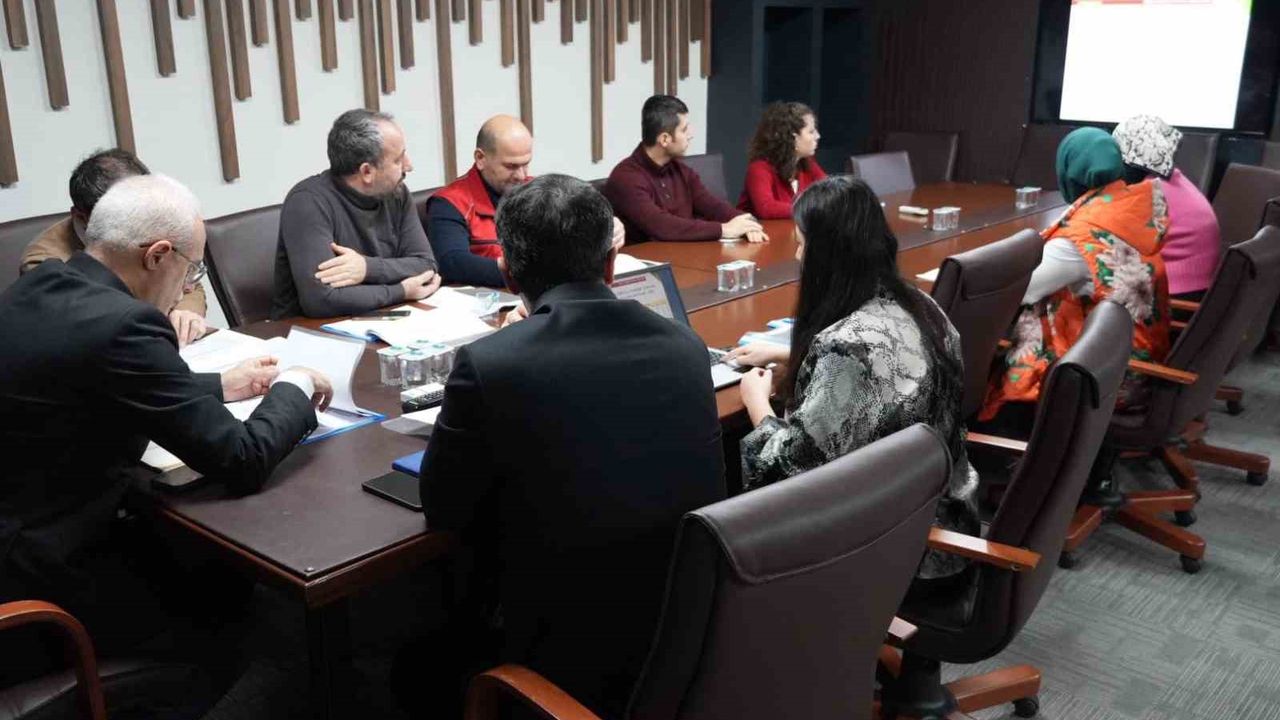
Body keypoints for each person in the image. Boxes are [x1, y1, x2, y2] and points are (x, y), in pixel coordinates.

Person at [0, 174, 332, 683]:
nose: (187, 285)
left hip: (22, 528)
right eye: (192, 269)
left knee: (204, 560)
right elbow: (241, 458)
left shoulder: (40, 286)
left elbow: (93, 376)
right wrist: (296, 382)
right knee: (236, 605)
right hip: (46, 574)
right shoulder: (125, 324)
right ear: (156, 256)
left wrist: (219, 385)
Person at [419, 175, 725, 718]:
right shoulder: (686, 346)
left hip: (557, 656)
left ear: (508, 274)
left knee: (414, 669)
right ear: (610, 264)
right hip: (682, 632)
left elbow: (444, 506)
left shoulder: (491, 364)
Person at [729, 175, 977, 584]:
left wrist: (757, 401)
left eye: (802, 244)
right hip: (944, 514)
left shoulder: (846, 347)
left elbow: (788, 472)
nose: (798, 255)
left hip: (894, 551)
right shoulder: (923, 306)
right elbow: (892, 362)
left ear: (828, 255)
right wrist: (797, 356)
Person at [981, 127, 1170, 421]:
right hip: (1135, 356)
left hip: (1100, 376)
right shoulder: (1132, 209)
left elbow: (1020, 290)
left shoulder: (1081, 236)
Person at [20, 148, 210, 346]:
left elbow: (187, 278)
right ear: (82, 217)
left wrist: (186, 312)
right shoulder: (44, 262)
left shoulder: (150, 223)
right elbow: (99, 320)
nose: (141, 224)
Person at [272, 109, 440, 319]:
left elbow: (426, 265)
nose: (409, 165)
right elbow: (321, 300)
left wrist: (367, 268)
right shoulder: (308, 202)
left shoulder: (397, 193)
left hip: (384, 319)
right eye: (398, 160)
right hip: (311, 330)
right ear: (367, 172)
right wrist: (402, 290)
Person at [605, 94, 768, 244]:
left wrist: (747, 223)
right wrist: (724, 230)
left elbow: (712, 206)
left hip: (685, 256)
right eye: (684, 130)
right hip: (647, 263)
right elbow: (662, 226)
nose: (690, 135)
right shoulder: (626, 178)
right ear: (665, 139)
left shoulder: (680, 170)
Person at [1112, 114, 1221, 300]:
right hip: (1200, 291)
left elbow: (1107, 243)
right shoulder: (1175, 182)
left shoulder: (1149, 193)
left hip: (1173, 298)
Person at [737, 101, 826, 219]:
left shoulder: (807, 164)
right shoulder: (759, 168)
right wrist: (810, 210)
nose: (818, 136)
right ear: (794, 138)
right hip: (759, 230)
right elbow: (766, 208)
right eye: (811, 132)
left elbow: (830, 194)